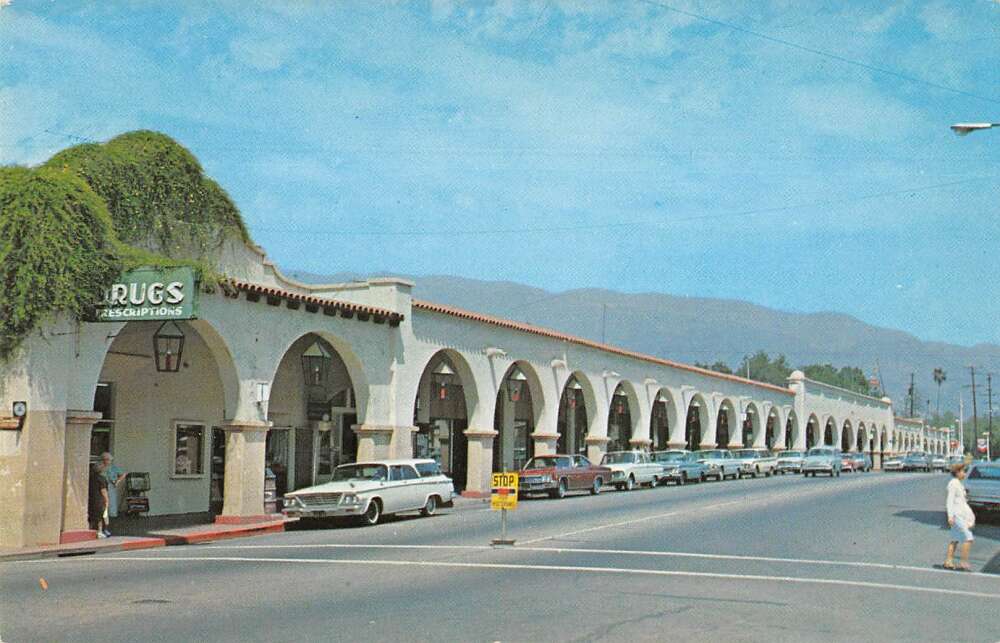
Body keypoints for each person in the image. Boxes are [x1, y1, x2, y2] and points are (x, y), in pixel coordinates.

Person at [944, 462, 976, 571]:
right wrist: (950, 516)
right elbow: (949, 501)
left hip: (960, 515)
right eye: (963, 471)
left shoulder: (958, 483)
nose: (965, 473)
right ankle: (963, 562)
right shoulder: (953, 483)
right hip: (956, 516)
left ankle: (948, 561)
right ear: (957, 472)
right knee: (968, 538)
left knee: (955, 538)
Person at [100, 452, 125, 537]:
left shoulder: (114, 468)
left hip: (111, 486)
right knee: (104, 506)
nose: (107, 461)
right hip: (102, 486)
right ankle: (104, 527)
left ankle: (109, 526)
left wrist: (117, 482)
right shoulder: (101, 468)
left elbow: (122, 474)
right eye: (105, 459)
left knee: (111, 506)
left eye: (108, 460)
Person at [88, 462, 109, 538]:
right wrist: (107, 500)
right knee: (100, 516)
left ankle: (89, 530)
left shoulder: (90, 478)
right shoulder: (102, 479)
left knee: (92, 516)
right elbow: (103, 490)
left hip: (91, 498)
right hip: (99, 499)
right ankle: (100, 531)